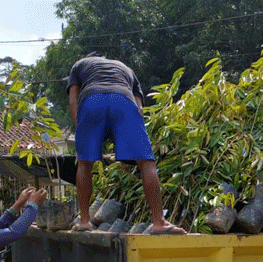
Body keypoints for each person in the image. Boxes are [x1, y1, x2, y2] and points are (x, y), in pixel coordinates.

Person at [67, 52, 186, 234]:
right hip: (124, 100)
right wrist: (134, 149)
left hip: (92, 100)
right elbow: (139, 109)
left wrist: (80, 129)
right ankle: (159, 221)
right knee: (147, 164)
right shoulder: (126, 69)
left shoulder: (80, 64)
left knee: (84, 164)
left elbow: (73, 99)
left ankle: (84, 221)